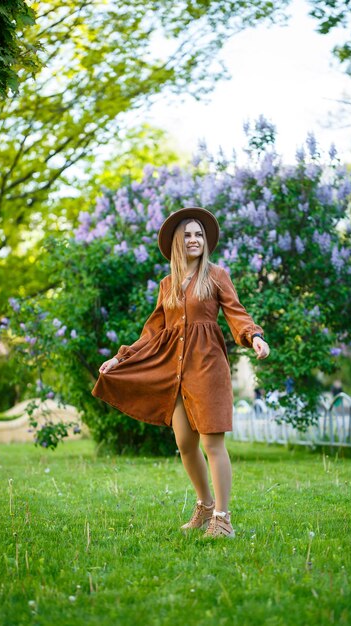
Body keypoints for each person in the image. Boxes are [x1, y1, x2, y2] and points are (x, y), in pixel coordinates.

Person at [92, 207, 270, 538]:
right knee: (185, 442)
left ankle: (222, 517)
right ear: (178, 241)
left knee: (212, 442)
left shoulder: (217, 276)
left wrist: (254, 337)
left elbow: (237, 314)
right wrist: (121, 358)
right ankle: (204, 506)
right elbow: (154, 332)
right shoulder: (168, 284)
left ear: (206, 242)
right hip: (174, 370)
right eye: (187, 234)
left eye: (199, 234)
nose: (193, 239)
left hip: (207, 366)